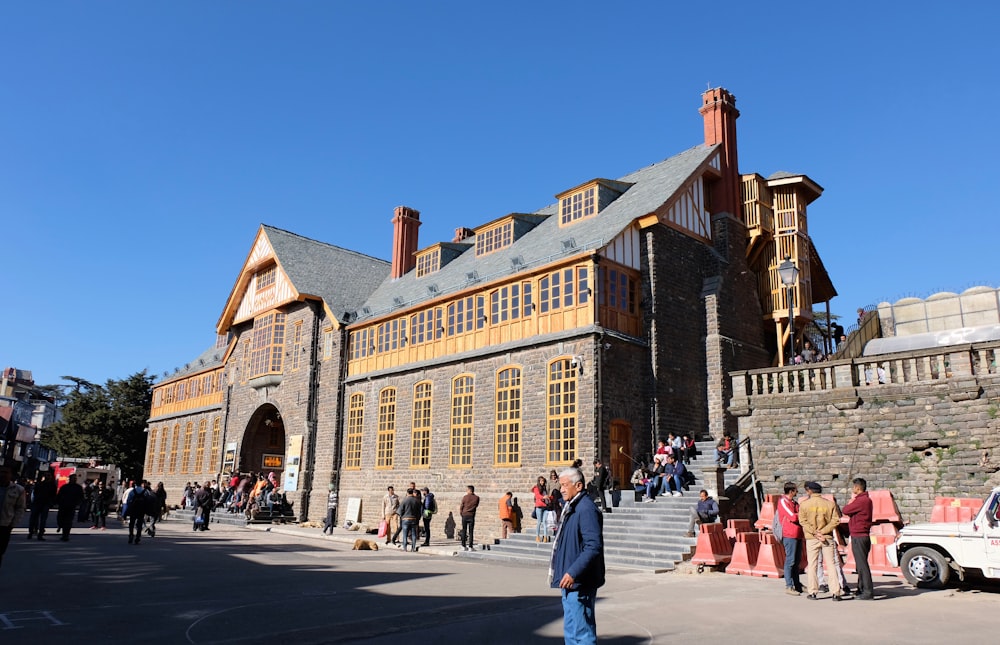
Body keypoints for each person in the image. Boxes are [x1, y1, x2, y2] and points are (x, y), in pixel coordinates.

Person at [549, 467, 605, 645]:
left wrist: (573, 572)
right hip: (569, 581)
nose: (562, 489)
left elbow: (593, 547)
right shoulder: (571, 508)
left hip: (580, 581)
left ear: (578, 485)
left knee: (582, 633)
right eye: (561, 485)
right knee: (572, 631)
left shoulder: (586, 509)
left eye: (565, 485)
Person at [798, 481, 845, 601]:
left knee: (813, 565)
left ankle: (813, 591)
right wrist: (823, 531)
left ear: (809, 491)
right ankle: (836, 592)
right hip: (827, 537)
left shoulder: (804, 504)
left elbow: (803, 521)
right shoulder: (830, 504)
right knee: (831, 564)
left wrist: (815, 532)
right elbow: (836, 520)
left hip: (812, 538)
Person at [841, 477, 874, 600]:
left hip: (859, 535)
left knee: (862, 565)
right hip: (861, 534)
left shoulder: (861, 501)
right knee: (860, 565)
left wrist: (851, 500)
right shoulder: (866, 500)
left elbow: (846, 510)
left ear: (857, 488)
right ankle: (861, 589)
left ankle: (867, 591)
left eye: (854, 487)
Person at [776, 482, 804, 595]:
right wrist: (800, 515)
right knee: (790, 560)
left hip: (798, 534)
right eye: (796, 490)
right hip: (789, 534)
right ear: (791, 491)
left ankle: (797, 584)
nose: (797, 492)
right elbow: (792, 516)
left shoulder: (794, 503)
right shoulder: (783, 501)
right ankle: (789, 585)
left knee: (797, 561)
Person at [0, 466, 27, 569]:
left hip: (5, 525)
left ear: (10, 475)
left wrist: (13, 524)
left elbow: (20, 508)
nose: (3, 475)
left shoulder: (18, 490)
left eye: (6, 472)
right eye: (1, 472)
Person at [55, 474, 84, 542]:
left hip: (71, 506)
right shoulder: (64, 487)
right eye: (73, 478)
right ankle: (60, 525)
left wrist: (78, 503)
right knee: (60, 519)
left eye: (75, 478)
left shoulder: (78, 487)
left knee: (68, 521)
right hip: (63, 506)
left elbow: (81, 496)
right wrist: (57, 502)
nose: (74, 480)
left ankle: (65, 535)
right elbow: (59, 495)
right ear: (69, 479)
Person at [27, 472, 55, 540]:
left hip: (42, 503)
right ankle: (34, 533)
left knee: (39, 519)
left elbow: (53, 495)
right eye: (47, 475)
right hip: (40, 503)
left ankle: (37, 533)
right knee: (36, 519)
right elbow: (34, 493)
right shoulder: (42, 484)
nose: (48, 477)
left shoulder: (49, 485)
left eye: (49, 475)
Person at [397, 488, 422, 552]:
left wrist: (402, 517)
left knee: (405, 534)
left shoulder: (404, 500)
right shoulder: (416, 501)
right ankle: (413, 548)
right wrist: (417, 518)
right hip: (413, 519)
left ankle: (405, 548)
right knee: (414, 534)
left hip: (405, 519)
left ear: (407, 493)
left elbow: (399, 511)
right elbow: (419, 511)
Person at [459, 485, 480, 552]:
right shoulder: (477, 498)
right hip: (471, 515)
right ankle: (471, 546)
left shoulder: (465, 497)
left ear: (469, 490)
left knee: (464, 530)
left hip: (464, 515)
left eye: (467, 490)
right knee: (471, 532)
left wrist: (461, 513)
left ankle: (463, 545)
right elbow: (476, 506)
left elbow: (461, 506)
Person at [532, 476, 552, 542]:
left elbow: (546, 496)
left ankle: (545, 537)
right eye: (541, 481)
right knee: (539, 522)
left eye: (543, 481)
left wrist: (550, 497)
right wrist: (544, 497)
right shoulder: (536, 488)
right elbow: (537, 496)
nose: (542, 482)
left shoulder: (544, 488)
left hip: (545, 507)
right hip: (539, 507)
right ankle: (537, 536)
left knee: (544, 522)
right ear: (538, 481)